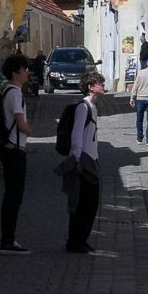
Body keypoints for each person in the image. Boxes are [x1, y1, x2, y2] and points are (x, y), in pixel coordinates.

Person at [59, 71, 103, 253]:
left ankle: (81, 238)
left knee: (91, 203)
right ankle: (75, 240)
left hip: (91, 159)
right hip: (82, 160)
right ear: (90, 86)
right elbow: (77, 135)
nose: (102, 85)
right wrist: (76, 159)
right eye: (99, 83)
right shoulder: (83, 108)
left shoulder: (93, 107)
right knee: (82, 203)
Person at [0, 54, 34, 255]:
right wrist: (30, 130)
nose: (27, 72)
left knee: (11, 195)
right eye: (24, 69)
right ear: (15, 73)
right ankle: (8, 240)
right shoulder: (15, 94)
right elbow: (20, 122)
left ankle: (8, 238)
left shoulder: (9, 91)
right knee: (14, 197)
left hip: (10, 149)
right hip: (14, 150)